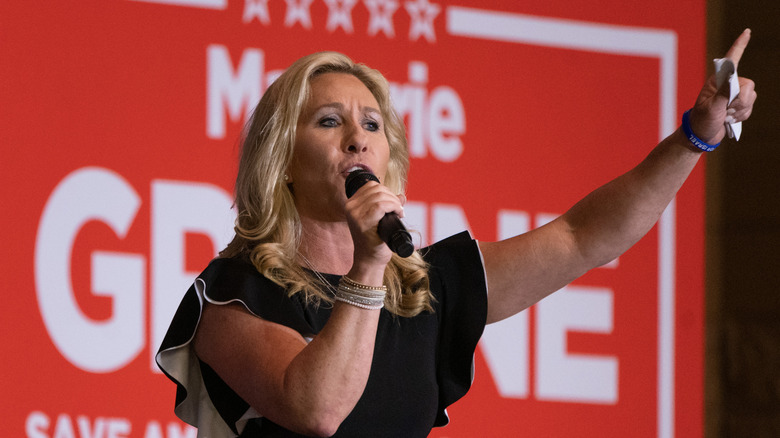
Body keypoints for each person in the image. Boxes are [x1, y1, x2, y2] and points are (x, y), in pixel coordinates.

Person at [156, 29, 757, 437]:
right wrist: (368, 265)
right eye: (328, 121)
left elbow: (584, 236)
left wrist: (693, 140)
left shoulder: (424, 290)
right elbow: (318, 410)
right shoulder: (233, 294)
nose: (357, 138)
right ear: (282, 160)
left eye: (371, 124)